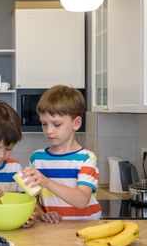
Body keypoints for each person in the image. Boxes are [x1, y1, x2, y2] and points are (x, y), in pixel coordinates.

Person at [21, 85, 101, 225]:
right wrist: (42, 214)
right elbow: (31, 198)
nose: (49, 131)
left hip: (86, 228)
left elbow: (82, 201)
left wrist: (46, 182)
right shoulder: (37, 158)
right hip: (52, 230)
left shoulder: (86, 159)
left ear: (76, 123)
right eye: (44, 124)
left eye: (56, 125)